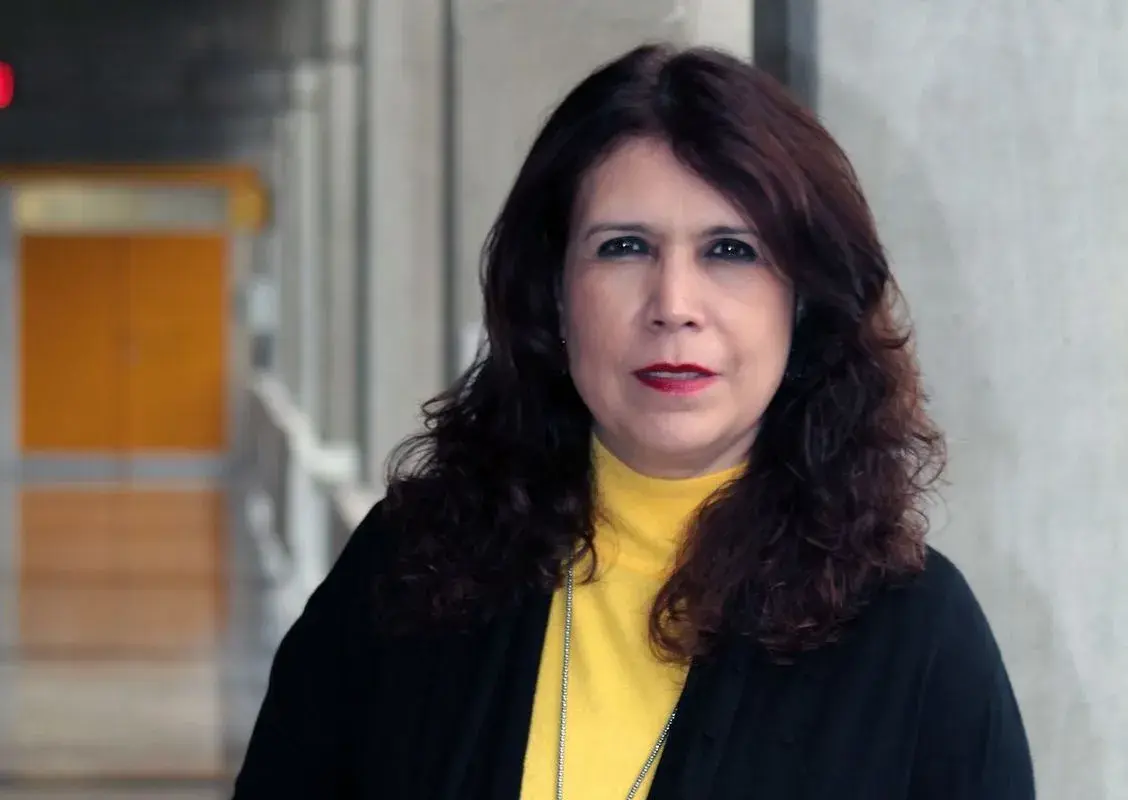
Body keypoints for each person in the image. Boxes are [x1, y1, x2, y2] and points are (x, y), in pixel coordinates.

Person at [233, 43, 1035, 799]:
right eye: (623, 247)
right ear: (553, 293)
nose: (673, 305)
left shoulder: (918, 640)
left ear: (803, 302)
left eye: (731, 250)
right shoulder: (409, 575)